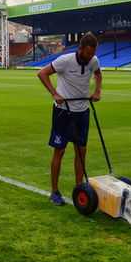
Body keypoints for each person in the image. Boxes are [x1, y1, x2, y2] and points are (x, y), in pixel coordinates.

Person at [37, 32, 102, 206]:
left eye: (92, 54)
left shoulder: (93, 61)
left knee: (81, 151)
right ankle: (54, 191)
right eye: (88, 53)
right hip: (62, 111)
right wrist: (55, 93)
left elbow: (98, 74)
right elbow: (42, 73)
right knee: (60, 151)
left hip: (82, 111)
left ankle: (79, 189)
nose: (90, 57)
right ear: (80, 48)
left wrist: (97, 91)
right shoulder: (65, 60)